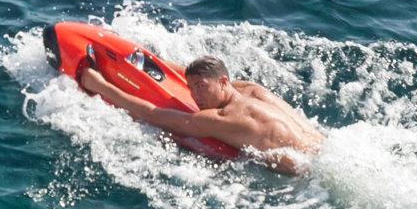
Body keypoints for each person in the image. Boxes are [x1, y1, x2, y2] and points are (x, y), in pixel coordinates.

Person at [80, 56, 325, 174]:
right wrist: (143, 62)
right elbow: (186, 75)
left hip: (314, 172)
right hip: (328, 148)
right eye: (192, 87)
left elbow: (154, 115)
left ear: (223, 82)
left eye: (201, 87)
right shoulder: (250, 89)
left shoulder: (224, 118)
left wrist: (100, 86)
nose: (195, 95)